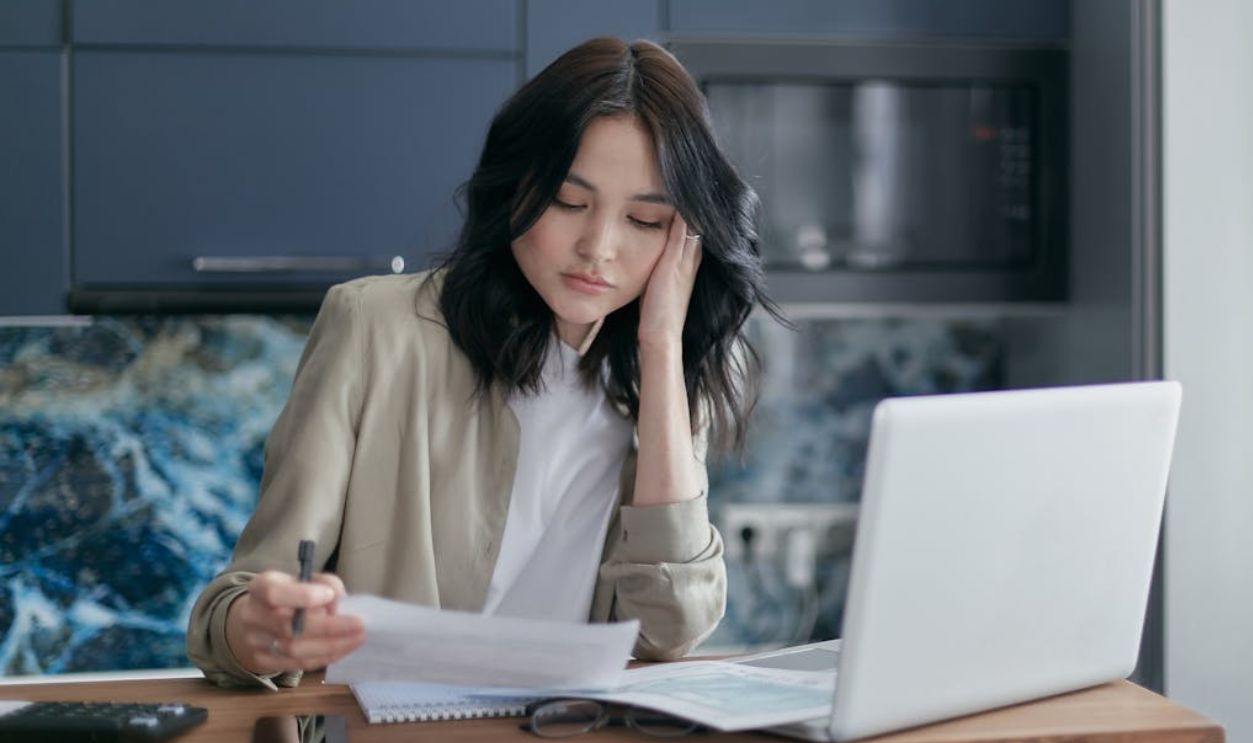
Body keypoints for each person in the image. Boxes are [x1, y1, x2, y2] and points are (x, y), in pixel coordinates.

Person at [187, 36, 779, 689]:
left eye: (644, 219)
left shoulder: (661, 378)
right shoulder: (375, 328)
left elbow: (669, 628)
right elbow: (233, 605)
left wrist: (662, 345)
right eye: (568, 201)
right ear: (515, 186)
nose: (598, 248)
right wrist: (262, 628)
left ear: (684, 239)